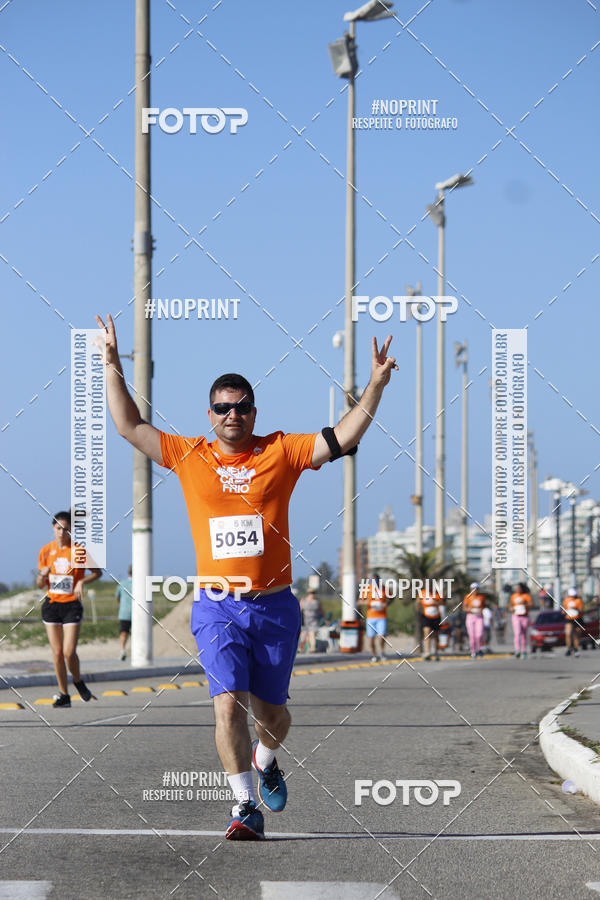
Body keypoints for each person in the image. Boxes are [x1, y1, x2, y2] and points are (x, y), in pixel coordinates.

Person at [96, 312, 397, 841]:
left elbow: (342, 436)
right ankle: (242, 807)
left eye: (240, 407)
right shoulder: (189, 455)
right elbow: (129, 426)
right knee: (226, 703)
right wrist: (112, 363)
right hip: (216, 605)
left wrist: (373, 386)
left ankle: (266, 758)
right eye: (222, 408)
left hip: (275, 607)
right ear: (209, 414)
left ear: (253, 412)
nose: (231, 415)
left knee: (274, 717)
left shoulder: (281, 450)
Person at [37, 511, 102, 707]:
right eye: (58, 528)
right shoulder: (45, 551)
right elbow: (40, 584)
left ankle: (78, 681)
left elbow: (98, 573)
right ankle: (64, 694)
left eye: (66, 529)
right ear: (53, 528)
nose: (62, 533)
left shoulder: (79, 551)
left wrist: (82, 581)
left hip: (72, 605)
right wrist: (43, 574)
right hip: (52, 605)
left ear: (71, 529)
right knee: (56, 653)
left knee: (68, 652)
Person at [359, 573, 393, 661]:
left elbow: (392, 597)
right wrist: (367, 603)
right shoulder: (367, 589)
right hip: (370, 617)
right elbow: (359, 602)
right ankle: (374, 655)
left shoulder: (384, 588)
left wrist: (387, 603)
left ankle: (382, 652)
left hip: (382, 617)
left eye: (376, 581)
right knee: (371, 639)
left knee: (382, 636)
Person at [417, 589, 443, 660]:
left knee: (436, 635)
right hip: (426, 616)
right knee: (427, 632)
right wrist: (419, 612)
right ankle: (427, 652)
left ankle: (436, 652)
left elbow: (442, 602)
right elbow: (418, 603)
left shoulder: (437, 593)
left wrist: (434, 602)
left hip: (436, 616)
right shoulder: (422, 592)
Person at [463, 583, 487, 658]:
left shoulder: (482, 597)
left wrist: (481, 610)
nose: (474, 590)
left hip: (479, 617)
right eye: (473, 588)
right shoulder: (467, 597)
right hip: (470, 616)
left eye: (476, 589)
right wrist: (470, 610)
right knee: (472, 635)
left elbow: (484, 606)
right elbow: (464, 608)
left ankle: (479, 649)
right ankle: (473, 651)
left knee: (479, 635)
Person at [509, 582, 532, 659]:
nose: (517, 589)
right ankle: (517, 650)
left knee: (523, 634)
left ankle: (523, 651)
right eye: (516, 588)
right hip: (516, 616)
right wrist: (511, 608)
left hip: (525, 616)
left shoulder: (526, 596)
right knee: (517, 633)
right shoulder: (513, 596)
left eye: (519, 588)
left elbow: (531, 604)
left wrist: (524, 604)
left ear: (522, 589)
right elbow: (510, 605)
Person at [116, 565, 133, 660]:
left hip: (124, 612)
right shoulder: (141, 584)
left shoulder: (122, 583)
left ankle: (122, 649)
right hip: (138, 613)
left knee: (123, 632)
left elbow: (117, 597)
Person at [563, 589, 584, 657]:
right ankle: (569, 648)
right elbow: (564, 609)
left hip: (577, 619)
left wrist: (575, 608)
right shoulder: (566, 600)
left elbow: (581, 610)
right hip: (569, 619)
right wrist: (564, 611)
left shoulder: (578, 601)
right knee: (568, 634)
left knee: (576, 635)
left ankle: (576, 649)